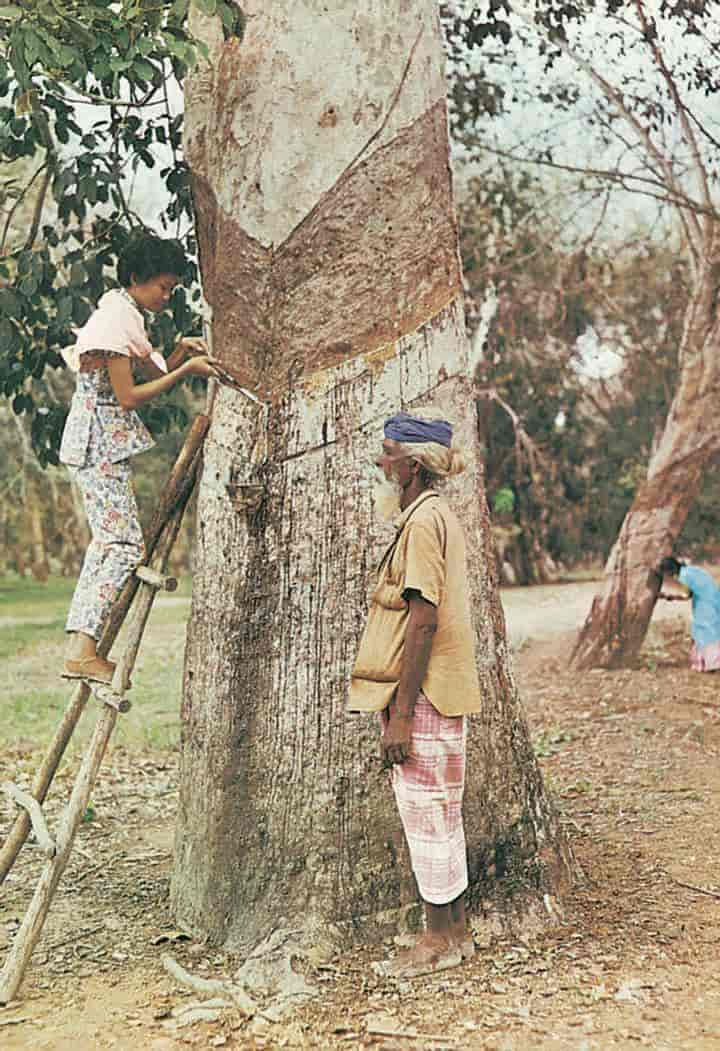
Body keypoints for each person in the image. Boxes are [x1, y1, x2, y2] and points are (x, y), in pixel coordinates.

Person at [349, 410, 482, 979]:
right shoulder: (433, 514)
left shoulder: (425, 521)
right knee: (440, 810)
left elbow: (422, 619)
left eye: (387, 453)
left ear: (409, 466)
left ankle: (437, 939)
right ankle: (453, 929)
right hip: (440, 689)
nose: (381, 463)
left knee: (424, 811)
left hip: (424, 692)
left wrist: (400, 715)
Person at [59, 232, 219, 685]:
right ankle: (83, 647)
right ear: (137, 278)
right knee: (122, 546)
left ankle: (82, 645)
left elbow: (152, 372)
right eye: (163, 288)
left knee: (113, 543)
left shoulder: (126, 314)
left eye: (171, 289)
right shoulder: (112, 322)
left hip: (105, 444)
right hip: (97, 444)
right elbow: (130, 397)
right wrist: (186, 370)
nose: (167, 297)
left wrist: (180, 354)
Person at [658, 556, 720, 672]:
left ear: (670, 571)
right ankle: (704, 663)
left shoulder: (684, 576)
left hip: (706, 604)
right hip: (712, 599)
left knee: (705, 632)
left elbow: (686, 595)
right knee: (706, 631)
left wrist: (668, 597)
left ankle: (711, 664)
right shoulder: (689, 570)